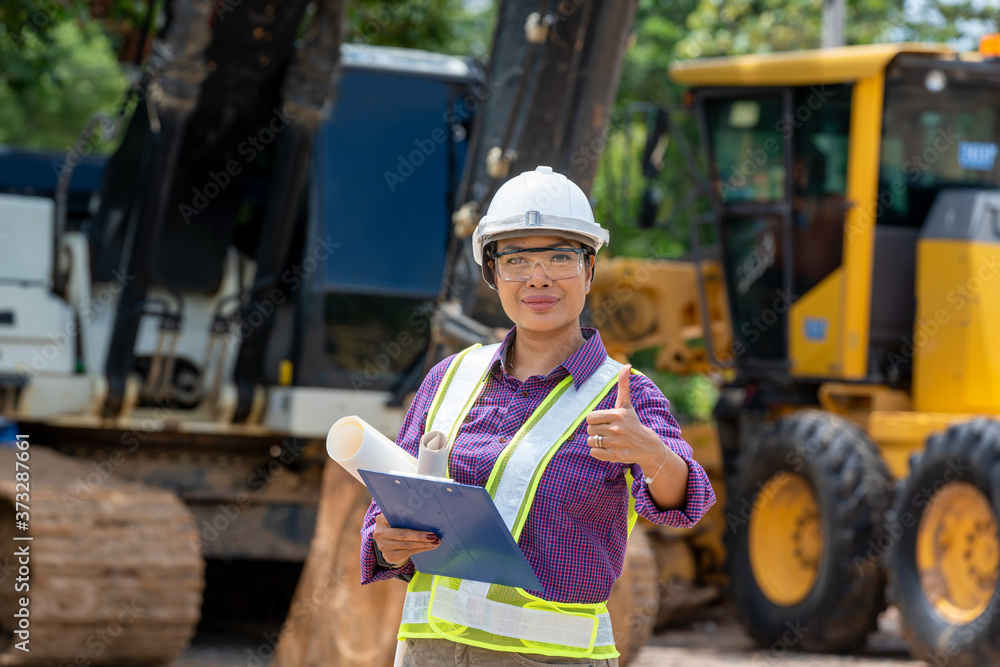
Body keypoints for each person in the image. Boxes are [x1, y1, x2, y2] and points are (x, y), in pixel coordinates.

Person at [360, 166, 716, 666]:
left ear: (590, 271)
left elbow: (687, 500)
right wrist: (384, 545)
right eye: (517, 259)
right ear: (493, 273)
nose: (539, 276)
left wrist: (650, 453)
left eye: (560, 257)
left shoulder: (625, 394)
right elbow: (391, 504)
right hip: (429, 653)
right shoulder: (450, 377)